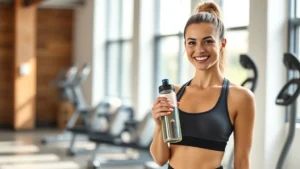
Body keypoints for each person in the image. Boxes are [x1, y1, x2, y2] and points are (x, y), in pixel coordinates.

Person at [150, 2, 255, 169]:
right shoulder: (174, 94)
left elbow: (242, 162)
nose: (199, 50)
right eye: (192, 43)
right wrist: (158, 125)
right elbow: (160, 159)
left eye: (207, 41)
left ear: (222, 43)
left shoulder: (240, 98)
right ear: (185, 45)